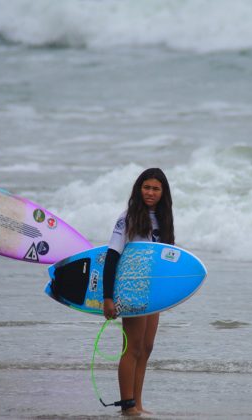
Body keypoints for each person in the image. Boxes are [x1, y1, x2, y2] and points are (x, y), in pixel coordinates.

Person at [102, 168, 175, 415]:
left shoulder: (164, 219)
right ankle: (127, 405)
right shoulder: (128, 218)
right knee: (132, 347)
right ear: (138, 189)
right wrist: (108, 297)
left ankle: (138, 403)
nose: (150, 193)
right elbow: (112, 257)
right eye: (146, 187)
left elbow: (165, 260)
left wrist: (168, 294)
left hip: (152, 291)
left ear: (163, 192)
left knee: (146, 347)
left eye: (156, 189)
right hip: (132, 289)